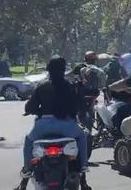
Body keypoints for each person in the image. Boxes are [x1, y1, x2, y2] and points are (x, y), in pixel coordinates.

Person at [18, 55, 89, 190]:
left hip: (42, 127)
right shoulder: (70, 87)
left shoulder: (42, 87)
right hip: (67, 127)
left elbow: (29, 107)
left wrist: (38, 111)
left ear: (48, 70)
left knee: (28, 140)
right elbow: (79, 105)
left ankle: (27, 169)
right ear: (63, 70)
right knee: (82, 137)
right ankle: (84, 166)